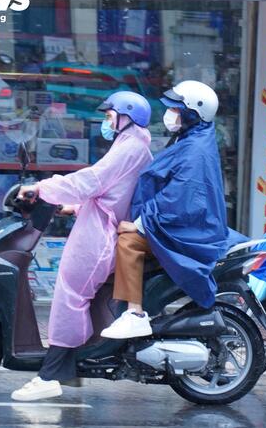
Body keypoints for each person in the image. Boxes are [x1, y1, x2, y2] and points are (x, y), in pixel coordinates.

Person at [11, 91, 153, 401]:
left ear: (126, 116)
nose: (106, 120)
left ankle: (49, 376)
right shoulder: (132, 144)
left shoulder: (131, 146)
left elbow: (93, 181)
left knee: (69, 295)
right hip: (97, 225)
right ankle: (70, 369)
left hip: (99, 236)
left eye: (109, 114)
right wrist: (72, 207)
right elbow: (112, 193)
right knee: (78, 297)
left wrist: (42, 187)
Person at [100, 80, 229, 339]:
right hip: (185, 224)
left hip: (189, 232)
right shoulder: (191, 139)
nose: (170, 115)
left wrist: (138, 224)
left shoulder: (194, 149)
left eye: (176, 110)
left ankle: (135, 314)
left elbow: (178, 197)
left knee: (128, 242)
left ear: (193, 113)